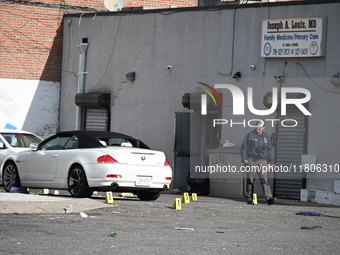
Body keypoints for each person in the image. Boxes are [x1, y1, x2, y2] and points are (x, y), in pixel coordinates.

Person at [240, 121, 277, 205]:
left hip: (263, 161)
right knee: (250, 179)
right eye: (257, 126)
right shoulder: (250, 135)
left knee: (265, 180)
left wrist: (271, 162)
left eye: (260, 126)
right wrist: (244, 158)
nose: (258, 128)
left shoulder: (266, 136)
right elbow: (244, 147)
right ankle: (249, 198)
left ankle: (269, 198)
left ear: (263, 127)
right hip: (251, 159)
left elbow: (269, 151)